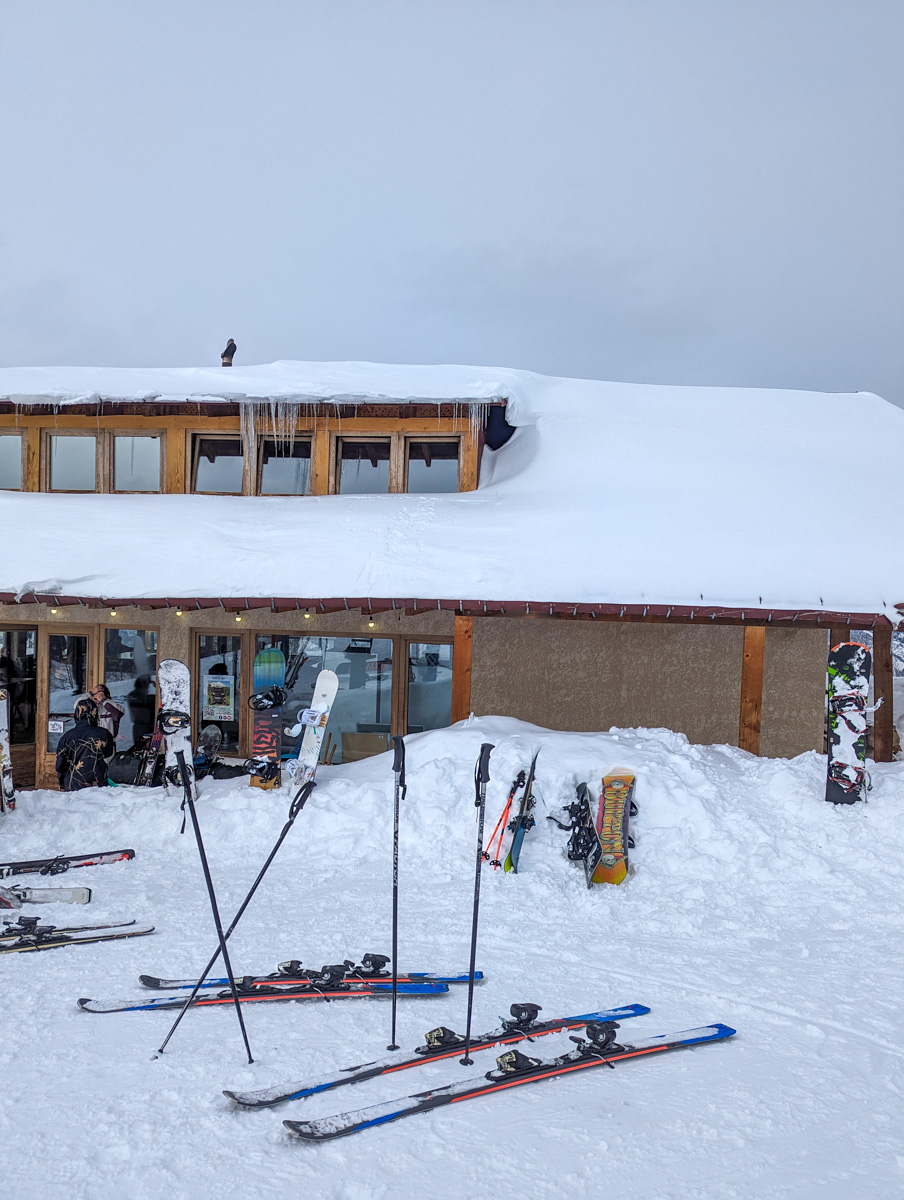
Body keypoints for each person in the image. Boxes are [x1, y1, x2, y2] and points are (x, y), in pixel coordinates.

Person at [55, 697, 115, 791]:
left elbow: (59, 765)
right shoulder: (104, 734)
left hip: (72, 784)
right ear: (95, 713)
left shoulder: (66, 737)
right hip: (98, 784)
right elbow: (109, 754)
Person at [125, 674, 155, 748]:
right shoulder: (142, 697)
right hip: (146, 727)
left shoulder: (132, 695)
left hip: (139, 727)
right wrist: (157, 687)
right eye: (147, 684)